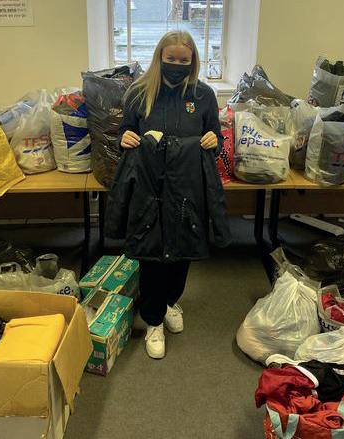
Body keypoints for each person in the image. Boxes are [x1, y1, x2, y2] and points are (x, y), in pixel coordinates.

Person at [117, 30, 224, 359]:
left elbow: (215, 135)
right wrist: (125, 137)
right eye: (171, 59)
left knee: (182, 250)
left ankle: (169, 301)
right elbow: (125, 130)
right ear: (159, 58)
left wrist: (214, 140)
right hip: (149, 187)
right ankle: (153, 319)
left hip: (187, 187)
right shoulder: (139, 93)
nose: (177, 64)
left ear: (192, 61)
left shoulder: (203, 95)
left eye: (183, 60)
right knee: (152, 254)